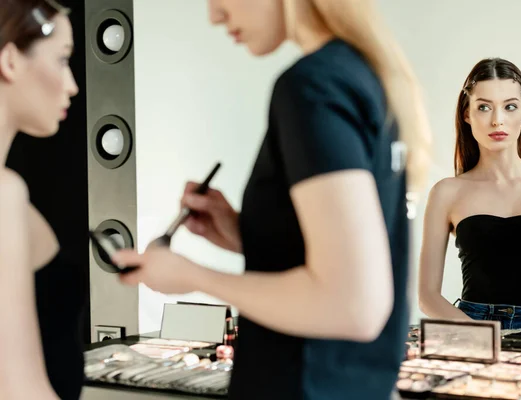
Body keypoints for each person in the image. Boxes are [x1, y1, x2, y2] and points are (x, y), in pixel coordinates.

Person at [114, 0, 431, 399]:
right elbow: (351, 260)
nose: (214, 15)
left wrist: (192, 276)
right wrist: (246, 234)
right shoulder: (363, 78)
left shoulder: (312, 86)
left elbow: (353, 305)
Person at [418, 58, 521, 338]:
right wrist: (482, 337)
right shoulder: (446, 192)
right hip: (471, 328)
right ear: (467, 114)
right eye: (483, 107)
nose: (497, 120)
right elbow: (427, 295)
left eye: (510, 106)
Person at [0, 1, 82, 399]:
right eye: (62, 60)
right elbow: (18, 389)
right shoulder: (3, 194)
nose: (72, 84)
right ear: (11, 60)